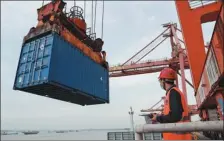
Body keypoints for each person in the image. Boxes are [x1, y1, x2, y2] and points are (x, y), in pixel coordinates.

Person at [151, 67, 192, 140]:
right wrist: (160, 116)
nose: (160, 83)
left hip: (177, 138)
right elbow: (173, 114)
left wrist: (158, 118)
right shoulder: (172, 93)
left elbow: (175, 116)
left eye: (160, 80)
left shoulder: (173, 93)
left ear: (164, 80)